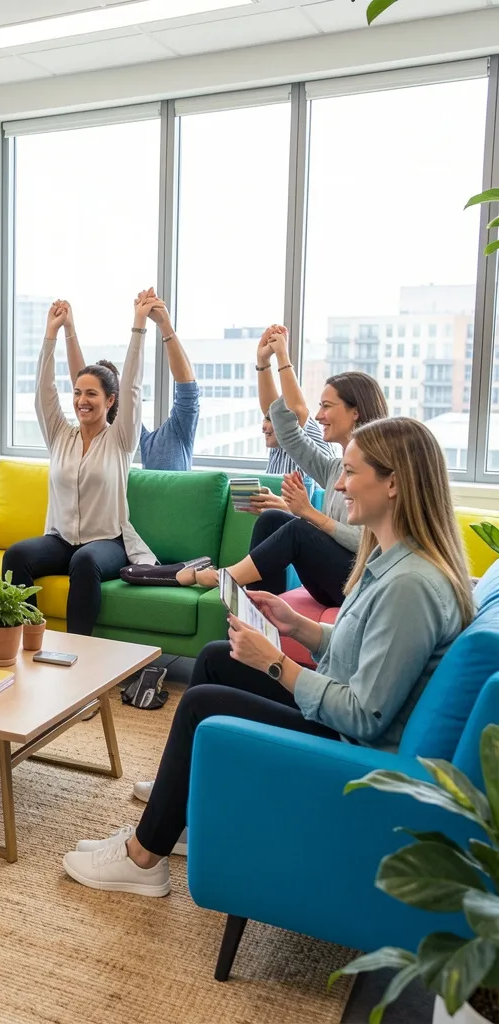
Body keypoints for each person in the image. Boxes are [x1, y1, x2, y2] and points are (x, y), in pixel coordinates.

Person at [64, 417, 473, 897]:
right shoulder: (392, 561)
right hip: (337, 719)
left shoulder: (410, 586)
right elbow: (360, 648)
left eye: (350, 472)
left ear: (394, 484)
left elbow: (366, 715)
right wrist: (298, 627)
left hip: (347, 748)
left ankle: (144, 856)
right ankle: (182, 814)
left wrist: (277, 664)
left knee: (201, 702)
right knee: (217, 658)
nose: (338, 485)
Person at [178, 331, 389, 608]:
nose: (319, 415)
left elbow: (368, 543)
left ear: (355, 412)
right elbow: (287, 432)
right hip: (330, 578)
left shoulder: (378, 470)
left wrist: (309, 514)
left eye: (327, 406)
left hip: (358, 580)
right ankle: (257, 610)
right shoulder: (334, 467)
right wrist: (263, 363)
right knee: (272, 519)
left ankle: (225, 578)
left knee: (298, 530)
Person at [2, 294, 157, 636]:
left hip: (107, 542)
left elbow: (132, 385)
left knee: (83, 561)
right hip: (60, 539)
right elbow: (43, 391)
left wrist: (138, 327)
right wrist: (51, 334)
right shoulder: (60, 434)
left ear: (109, 400)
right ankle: (25, 641)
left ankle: (78, 655)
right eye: (77, 393)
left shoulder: (120, 439)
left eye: (91, 394)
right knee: (16, 556)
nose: (81, 401)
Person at [62, 289, 199, 471]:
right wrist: (68, 329)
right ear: (110, 400)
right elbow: (81, 382)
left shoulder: (173, 436)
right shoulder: (109, 436)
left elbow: (187, 388)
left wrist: (164, 325)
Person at [254, 325, 332, 502]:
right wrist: (262, 360)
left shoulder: (305, 438)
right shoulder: (279, 447)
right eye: (266, 420)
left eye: (270, 421)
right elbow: (272, 408)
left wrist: (282, 355)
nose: (264, 427)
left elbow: (297, 409)